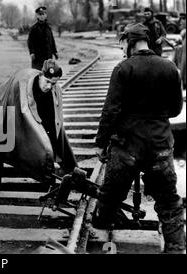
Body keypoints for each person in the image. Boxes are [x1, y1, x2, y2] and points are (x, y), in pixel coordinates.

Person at [93, 23, 185, 254]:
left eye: (123, 43)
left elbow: (110, 111)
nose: (122, 48)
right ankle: (175, 248)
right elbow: (175, 109)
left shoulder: (123, 69)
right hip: (160, 146)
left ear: (130, 42)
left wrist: (101, 143)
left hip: (127, 146)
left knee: (110, 195)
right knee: (169, 202)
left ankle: (99, 234)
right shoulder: (170, 67)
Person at [33, 59, 77, 173]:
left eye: (53, 83)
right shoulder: (31, 88)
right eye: (47, 81)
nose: (49, 86)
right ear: (40, 75)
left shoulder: (53, 92)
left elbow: (54, 123)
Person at [27, 6, 58, 70]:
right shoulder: (33, 28)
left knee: (48, 74)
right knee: (37, 75)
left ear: (46, 15)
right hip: (37, 57)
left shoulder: (48, 28)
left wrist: (55, 52)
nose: (42, 16)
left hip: (48, 56)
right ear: (37, 16)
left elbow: (52, 40)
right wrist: (32, 53)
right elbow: (30, 42)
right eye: (40, 14)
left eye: (43, 14)